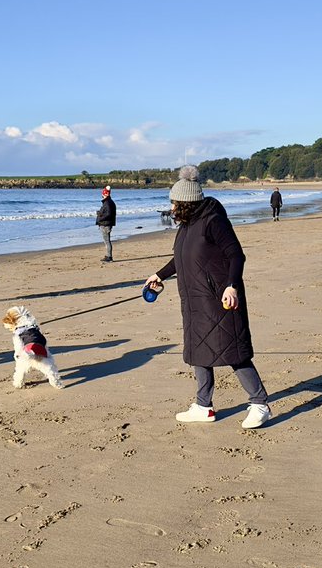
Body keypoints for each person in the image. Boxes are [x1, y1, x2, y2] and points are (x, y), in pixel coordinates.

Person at [144, 165, 270, 429]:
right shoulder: (187, 226)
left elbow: (236, 254)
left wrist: (231, 285)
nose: (172, 208)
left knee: (233, 351)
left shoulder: (214, 221)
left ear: (187, 203)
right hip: (194, 300)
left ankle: (259, 404)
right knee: (198, 350)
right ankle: (203, 406)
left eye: (175, 203)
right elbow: (182, 259)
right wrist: (160, 275)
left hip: (220, 298)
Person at [96, 185, 117, 261]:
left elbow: (108, 214)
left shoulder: (107, 203)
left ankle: (109, 257)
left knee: (107, 241)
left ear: (105, 194)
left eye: (103, 194)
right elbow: (107, 213)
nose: (102, 196)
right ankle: (108, 256)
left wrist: (100, 218)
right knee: (107, 241)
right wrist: (100, 213)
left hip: (106, 224)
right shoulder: (109, 202)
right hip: (106, 223)